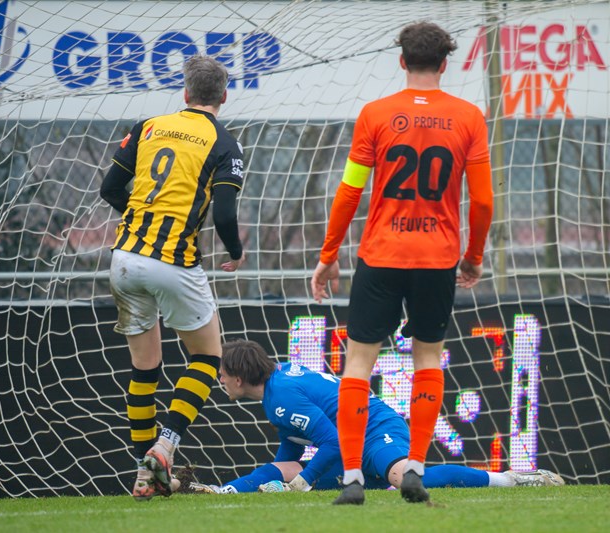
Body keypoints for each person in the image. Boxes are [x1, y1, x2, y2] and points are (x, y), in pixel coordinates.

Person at [310, 22, 494, 505]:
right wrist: (473, 257)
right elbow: (483, 201)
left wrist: (329, 256)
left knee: (358, 363)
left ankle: (352, 478)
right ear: (445, 63)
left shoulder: (375, 114)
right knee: (428, 358)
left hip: (381, 255)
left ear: (401, 60)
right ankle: (414, 467)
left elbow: (350, 190)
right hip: (437, 258)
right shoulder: (469, 117)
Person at [100, 55, 245, 501]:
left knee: (145, 367)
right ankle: (165, 447)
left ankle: (144, 474)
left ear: (185, 93)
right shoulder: (224, 143)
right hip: (174, 260)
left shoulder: (148, 127)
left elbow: (109, 189)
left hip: (125, 259)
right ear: (223, 96)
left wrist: (140, 219)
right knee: (207, 357)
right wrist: (235, 252)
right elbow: (224, 214)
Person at [188, 340, 563, 495]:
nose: (220, 379)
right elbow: (293, 444)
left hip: (374, 428)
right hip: (352, 438)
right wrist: (291, 473)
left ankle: (511, 479)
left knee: (406, 480)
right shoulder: (277, 387)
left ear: (239, 377)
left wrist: (304, 479)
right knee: (281, 468)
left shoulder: (280, 396)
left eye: (222, 374)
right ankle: (225, 491)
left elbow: (332, 440)